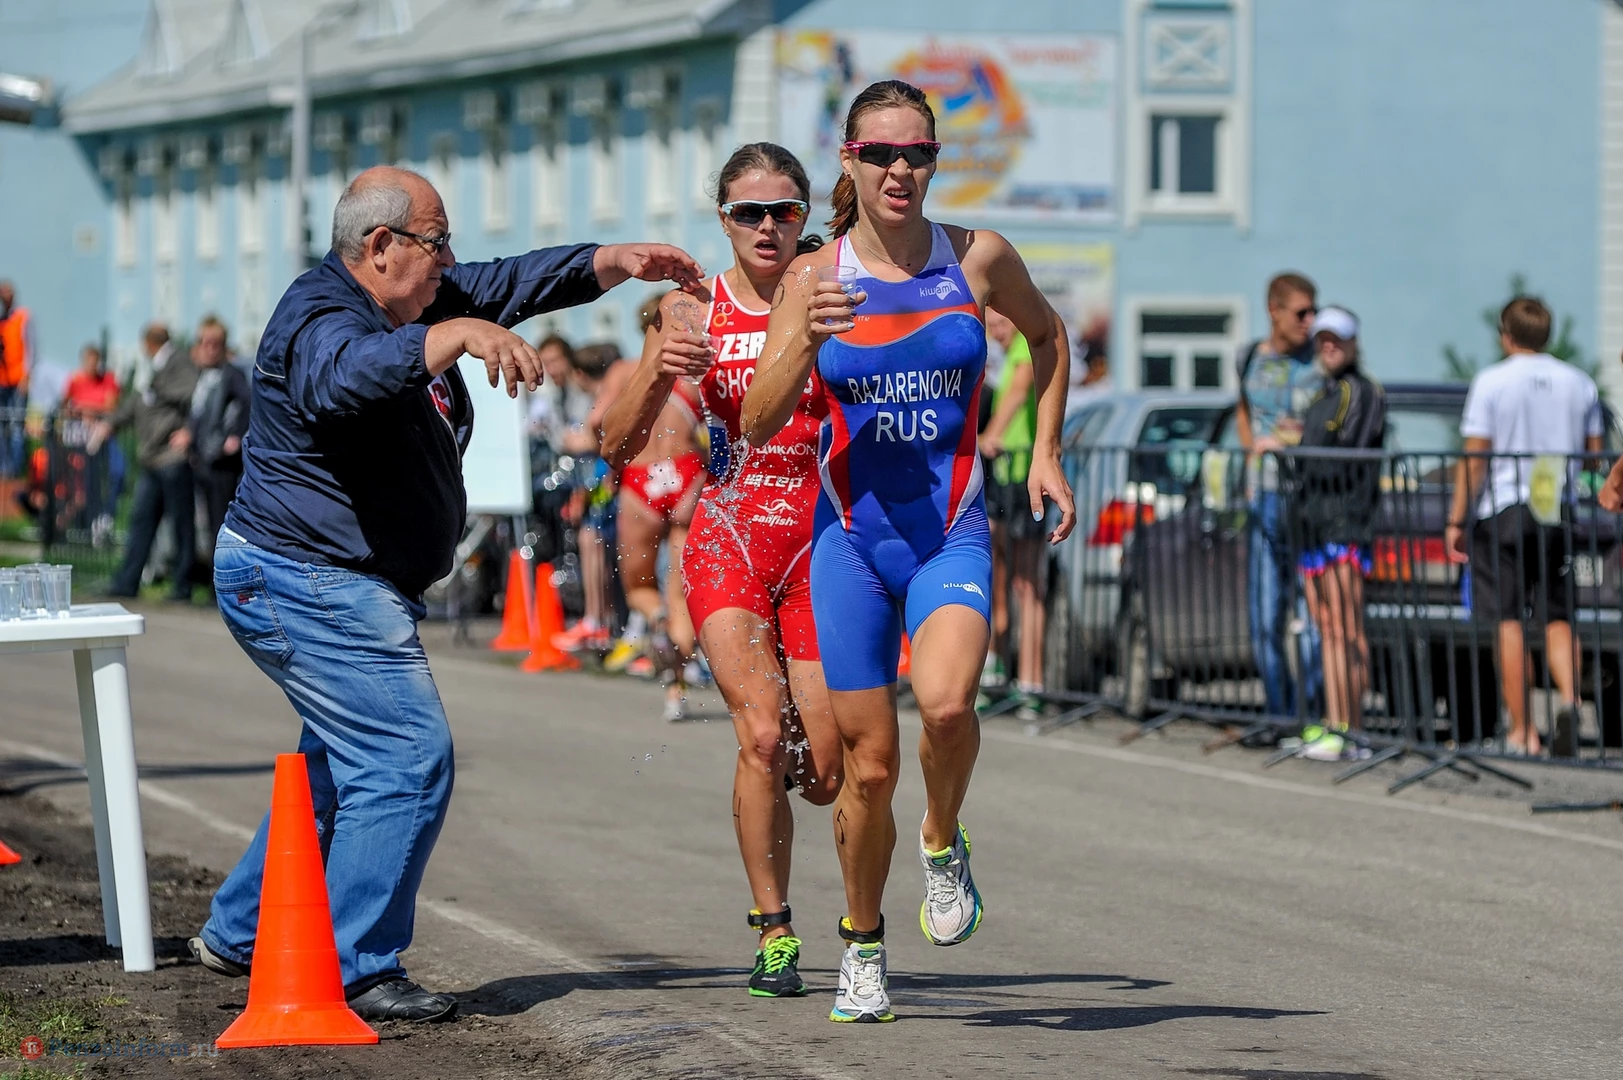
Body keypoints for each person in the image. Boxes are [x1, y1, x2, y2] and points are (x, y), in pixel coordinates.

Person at [186, 165, 701, 1022]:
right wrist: (453, 334)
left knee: (335, 769)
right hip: (303, 575)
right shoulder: (316, 313)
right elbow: (340, 378)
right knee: (403, 757)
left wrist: (613, 260)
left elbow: (512, 282)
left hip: (339, 577)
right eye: (437, 243)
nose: (451, 262)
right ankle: (356, 967)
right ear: (380, 245)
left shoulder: (414, 295)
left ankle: (240, 933)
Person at [741, 80, 1075, 1023]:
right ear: (848, 161)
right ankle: (861, 947)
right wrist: (802, 340)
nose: (900, 170)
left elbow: (1047, 338)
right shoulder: (812, 275)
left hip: (948, 532)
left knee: (948, 704)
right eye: (881, 154)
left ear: (934, 162)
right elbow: (758, 421)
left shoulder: (978, 257)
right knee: (869, 768)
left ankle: (940, 836)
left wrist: (1044, 453)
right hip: (848, 542)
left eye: (917, 154)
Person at [601, 142, 843, 997]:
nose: (767, 226)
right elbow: (615, 441)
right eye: (749, 212)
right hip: (730, 534)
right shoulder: (692, 308)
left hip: (824, 539)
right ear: (724, 219)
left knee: (825, 774)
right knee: (762, 736)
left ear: (806, 214)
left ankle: (788, 774)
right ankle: (773, 929)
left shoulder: (836, 286)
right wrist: (658, 370)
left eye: (784, 210)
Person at [1446, 297, 1602, 758]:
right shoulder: (1580, 381)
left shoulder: (1492, 380)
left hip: (1505, 505)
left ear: (1506, 334)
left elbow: (1476, 456)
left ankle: (1523, 731)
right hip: (1556, 505)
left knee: (1508, 620)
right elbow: (1594, 455)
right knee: (1558, 617)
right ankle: (1570, 701)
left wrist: (1457, 518)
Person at [593, 320, 705, 719]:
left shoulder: (625, 370)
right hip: (685, 473)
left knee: (639, 587)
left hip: (642, 477)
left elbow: (599, 422)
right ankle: (676, 689)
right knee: (680, 594)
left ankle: (656, 621)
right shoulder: (696, 370)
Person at [1288, 307, 1385, 761]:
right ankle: (1334, 722)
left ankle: (1353, 728)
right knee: (1326, 628)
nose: (1329, 345)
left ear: (1353, 343)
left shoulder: (1361, 391)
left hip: (1344, 522)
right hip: (1313, 522)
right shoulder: (1322, 393)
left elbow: (1341, 455)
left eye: (1337, 338)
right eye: (1323, 338)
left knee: (1347, 628)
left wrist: (1293, 448)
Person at [1235, 271, 1322, 721]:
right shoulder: (1249, 356)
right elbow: (1243, 410)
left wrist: (1290, 441)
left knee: (1311, 612)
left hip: (1309, 497)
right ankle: (1278, 711)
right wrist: (1250, 453)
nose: (1310, 321)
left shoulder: (1320, 361)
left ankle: (1313, 711)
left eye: (1314, 312)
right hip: (1264, 494)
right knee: (1265, 609)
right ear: (1274, 310)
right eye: (1301, 312)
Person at [979, 308, 1046, 720]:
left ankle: (1031, 681)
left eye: (1002, 323)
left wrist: (992, 434)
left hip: (1023, 477)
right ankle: (998, 671)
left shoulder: (1024, 348)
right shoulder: (1007, 357)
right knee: (999, 574)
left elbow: (1021, 390)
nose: (998, 332)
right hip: (1007, 476)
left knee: (1026, 583)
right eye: (992, 326)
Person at [100, 323, 199, 601]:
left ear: (148, 342)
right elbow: (136, 403)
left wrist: (160, 391)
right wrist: (111, 423)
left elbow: (193, 392)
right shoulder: (152, 368)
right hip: (152, 459)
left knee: (180, 524)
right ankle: (127, 582)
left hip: (171, 456)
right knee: (141, 521)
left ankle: (183, 586)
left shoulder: (177, 362)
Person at [184, 315, 251, 576]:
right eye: (205, 343)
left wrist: (234, 436)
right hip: (201, 459)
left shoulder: (231, 374)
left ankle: (221, 582)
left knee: (220, 524)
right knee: (200, 523)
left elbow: (248, 404)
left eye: (215, 343)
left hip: (221, 462)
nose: (209, 349)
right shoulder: (200, 375)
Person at [0, 280, 33, 477]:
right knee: (1, 427)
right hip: (2, 381)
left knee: (15, 427)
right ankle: (3, 470)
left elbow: (31, 349)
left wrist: (27, 377)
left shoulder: (23, 317)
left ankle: (14, 472)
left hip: (18, 381)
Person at [63, 344, 120, 417]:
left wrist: (83, 407)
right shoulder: (75, 380)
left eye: (94, 361)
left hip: (101, 420)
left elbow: (111, 407)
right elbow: (65, 404)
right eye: (88, 360)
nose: (91, 364)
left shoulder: (108, 380)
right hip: (78, 419)